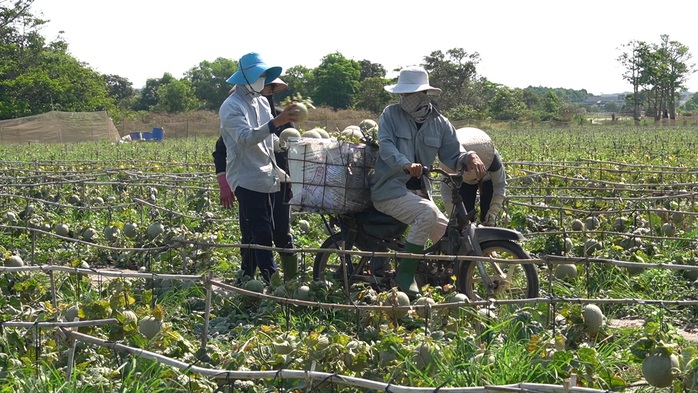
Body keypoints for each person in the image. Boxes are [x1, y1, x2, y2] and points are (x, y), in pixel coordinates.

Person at [368, 66, 486, 297]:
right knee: (427, 214)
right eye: (402, 94)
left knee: (447, 237)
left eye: (409, 94)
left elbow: (452, 154)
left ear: (424, 94)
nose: (405, 98)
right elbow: (387, 146)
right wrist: (405, 164)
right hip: (389, 190)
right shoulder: (390, 115)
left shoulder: (439, 122)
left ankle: (441, 280)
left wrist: (468, 157)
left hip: (421, 193)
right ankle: (405, 274)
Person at [218, 52, 302, 284]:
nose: (263, 79)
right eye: (260, 74)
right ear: (245, 76)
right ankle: (271, 281)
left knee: (267, 229)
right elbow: (245, 138)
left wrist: (285, 141)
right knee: (261, 231)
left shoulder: (262, 102)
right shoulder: (231, 106)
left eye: (265, 75)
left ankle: (247, 276)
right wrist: (278, 122)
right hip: (245, 175)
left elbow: (268, 140)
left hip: (268, 173)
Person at [439, 127, 507, 226]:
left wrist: (493, 212)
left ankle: (488, 237)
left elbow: (499, 185)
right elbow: (446, 192)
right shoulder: (449, 161)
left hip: (487, 180)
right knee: (465, 217)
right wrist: (456, 216)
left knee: (488, 219)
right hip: (463, 182)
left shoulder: (492, 159)